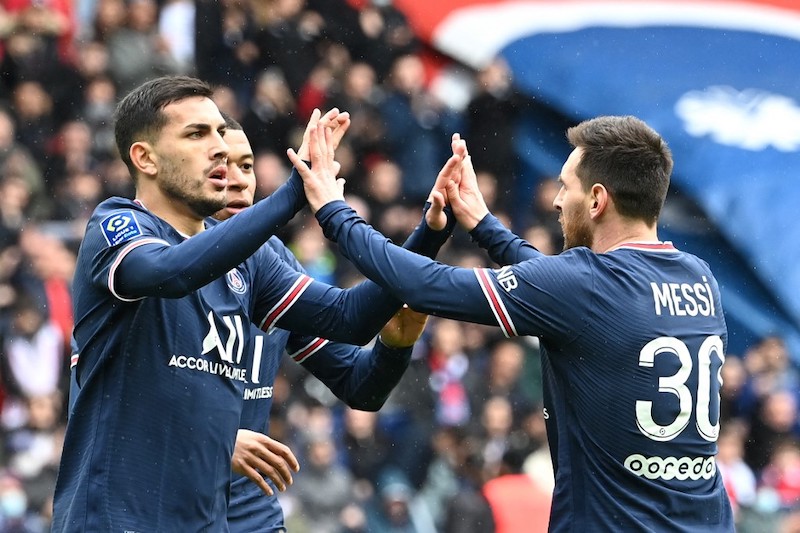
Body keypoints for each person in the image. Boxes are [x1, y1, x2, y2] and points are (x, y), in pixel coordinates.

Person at [290, 115, 734, 530]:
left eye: (566, 187)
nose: (558, 201)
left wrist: (333, 210)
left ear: (597, 199)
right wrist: (484, 226)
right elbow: (570, 295)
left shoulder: (585, 284)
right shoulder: (699, 277)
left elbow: (426, 285)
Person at [51, 75, 449, 532]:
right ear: (145, 158)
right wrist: (295, 193)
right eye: (198, 134)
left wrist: (431, 233)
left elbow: (349, 319)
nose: (221, 153)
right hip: (116, 518)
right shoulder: (115, 226)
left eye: (224, 138)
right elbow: (173, 273)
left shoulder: (258, 263)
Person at [215, 114, 456, 532]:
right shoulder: (154, 253)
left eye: (248, 166)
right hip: (166, 502)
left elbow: (359, 381)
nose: (238, 180)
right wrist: (213, 442)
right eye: (221, 167)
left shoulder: (269, 260)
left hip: (249, 513)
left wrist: (395, 343)